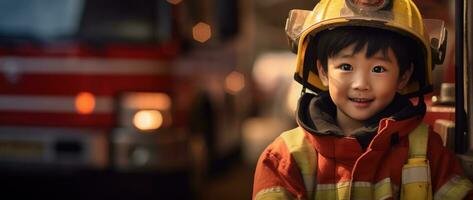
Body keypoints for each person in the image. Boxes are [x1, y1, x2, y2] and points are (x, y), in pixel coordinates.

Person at [252, 0, 473, 199]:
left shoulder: (428, 150)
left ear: (403, 77)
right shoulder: (284, 157)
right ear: (323, 72)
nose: (361, 84)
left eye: (378, 69)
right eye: (346, 67)